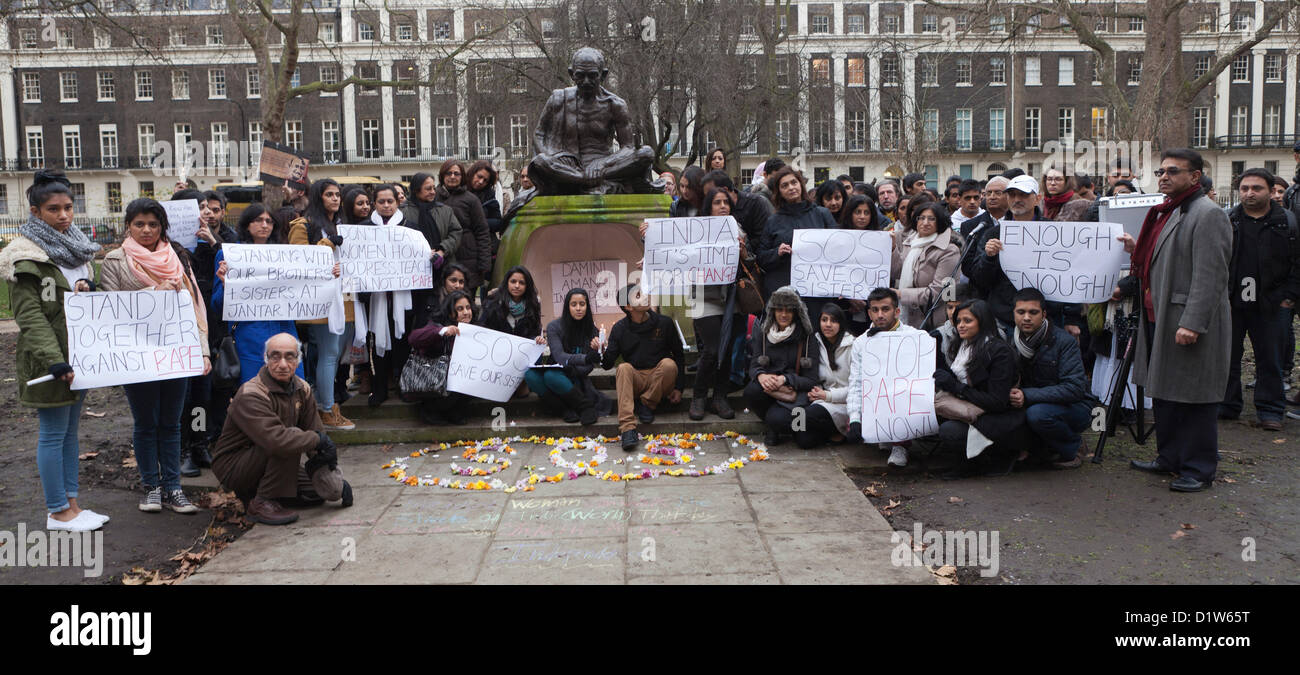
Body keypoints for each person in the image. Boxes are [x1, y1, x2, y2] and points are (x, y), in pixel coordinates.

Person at [0, 171, 108, 531]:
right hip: (51, 362)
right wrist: (55, 360)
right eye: (53, 209)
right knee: (52, 433)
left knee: (71, 433)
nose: (63, 215)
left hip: (80, 357)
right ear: (35, 212)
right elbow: (30, 316)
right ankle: (57, 510)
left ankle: (73, 504)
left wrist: (85, 286)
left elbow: (69, 297)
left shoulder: (75, 246)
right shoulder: (25, 257)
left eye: (67, 207)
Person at [1120, 148, 1232, 492]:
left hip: (1185, 320)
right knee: (1165, 393)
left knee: (1194, 396)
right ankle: (1169, 458)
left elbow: (1210, 276)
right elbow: (1168, 257)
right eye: (1161, 172)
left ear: (1195, 177)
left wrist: (1193, 323)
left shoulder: (1208, 214)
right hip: (1160, 317)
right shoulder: (1169, 211)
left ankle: (1198, 469)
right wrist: (1136, 248)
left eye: (1173, 171)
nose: (1164, 177)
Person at [99, 198, 212, 513]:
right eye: (139, 224)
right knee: (146, 423)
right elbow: (111, 308)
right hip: (137, 356)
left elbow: (193, 309)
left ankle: (174, 488)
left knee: (172, 423)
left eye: (153, 224)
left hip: (175, 352)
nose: (146, 230)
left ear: (162, 227)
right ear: (128, 226)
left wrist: (202, 353)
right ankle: (151, 487)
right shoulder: (115, 260)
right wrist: (153, 293)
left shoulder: (177, 257)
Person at [211, 333, 352, 525]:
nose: (283, 364)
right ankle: (261, 503)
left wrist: (330, 475)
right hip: (235, 466)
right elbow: (277, 440)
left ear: (298, 360)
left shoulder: (303, 389)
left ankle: (267, 493)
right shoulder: (251, 393)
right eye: (275, 356)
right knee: (291, 438)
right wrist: (317, 440)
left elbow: (317, 434)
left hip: (270, 458)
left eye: (289, 356)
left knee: (319, 492)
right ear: (266, 360)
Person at [1220, 169, 1300, 430]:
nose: (1250, 193)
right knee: (1228, 357)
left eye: (1257, 188)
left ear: (1270, 190)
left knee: (1270, 359)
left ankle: (1270, 410)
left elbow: (1297, 262)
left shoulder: (1286, 222)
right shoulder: (1229, 220)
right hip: (1233, 301)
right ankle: (1228, 405)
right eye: (1244, 188)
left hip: (1271, 302)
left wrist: (1289, 297)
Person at [967, 175, 1081, 335]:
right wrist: (989, 257)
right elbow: (981, 280)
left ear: (1037, 199)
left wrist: (1072, 319)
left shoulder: (1055, 232)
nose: (1017, 199)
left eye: (1023, 195)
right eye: (1012, 195)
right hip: (1004, 319)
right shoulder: (993, 234)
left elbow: (1070, 274)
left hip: (1048, 319)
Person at [287, 179, 355, 431]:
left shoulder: (343, 225)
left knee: (335, 355)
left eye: (338, 194)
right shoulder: (302, 225)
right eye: (329, 194)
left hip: (345, 299)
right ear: (318, 197)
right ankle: (326, 409)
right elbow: (299, 261)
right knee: (328, 354)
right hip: (319, 301)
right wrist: (329, 243)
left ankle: (324, 404)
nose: (335, 199)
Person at [931, 299, 1026, 479]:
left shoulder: (999, 352)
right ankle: (969, 460)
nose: (961, 326)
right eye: (958, 321)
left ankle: (992, 457)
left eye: (967, 321)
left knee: (949, 431)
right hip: (974, 408)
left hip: (1000, 417)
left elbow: (997, 401)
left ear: (982, 321)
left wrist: (955, 386)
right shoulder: (963, 345)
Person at [212, 205, 306, 385]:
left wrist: (327, 274)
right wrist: (226, 286)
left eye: (269, 221)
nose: (264, 225)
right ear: (247, 225)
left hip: (284, 328)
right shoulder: (229, 255)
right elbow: (216, 305)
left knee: (293, 387)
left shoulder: (286, 255)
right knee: (254, 391)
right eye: (258, 220)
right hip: (248, 335)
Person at [1007, 288, 1091, 469]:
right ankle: (1035, 449)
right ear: (1013, 313)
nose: (1027, 317)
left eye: (1033, 312)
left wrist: (1027, 395)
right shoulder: (1010, 340)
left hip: (1073, 407)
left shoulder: (1063, 342)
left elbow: (1075, 389)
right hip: (1031, 401)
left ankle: (1074, 447)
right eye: (1021, 312)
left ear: (1044, 314)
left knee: (1037, 415)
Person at [601, 284, 686, 450]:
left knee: (669, 364)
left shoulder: (664, 323)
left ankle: (647, 404)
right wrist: (600, 351)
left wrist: (679, 387)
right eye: (638, 295)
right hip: (636, 379)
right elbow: (607, 365)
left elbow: (679, 355)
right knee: (623, 368)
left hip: (660, 378)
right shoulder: (620, 329)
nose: (646, 296)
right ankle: (627, 429)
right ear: (628, 306)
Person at [843, 288, 920, 466]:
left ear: (897, 311)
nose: (880, 315)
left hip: (903, 397)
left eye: (885, 309)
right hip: (875, 397)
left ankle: (901, 444)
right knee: (852, 422)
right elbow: (856, 381)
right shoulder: (861, 342)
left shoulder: (915, 337)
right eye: (875, 310)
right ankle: (882, 433)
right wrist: (854, 418)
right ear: (869, 313)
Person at [684, 187, 742, 421]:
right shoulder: (693, 230)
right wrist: (647, 236)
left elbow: (749, 261)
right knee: (712, 348)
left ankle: (720, 397)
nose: (723, 206)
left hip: (730, 299)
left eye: (726, 202)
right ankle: (699, 397)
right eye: (717, 202)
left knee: (727, 348)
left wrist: (743, 250)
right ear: (708, 207)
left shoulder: (737, 229)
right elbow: (671, 249)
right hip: (700, 297)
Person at [744, 285, 822, 447]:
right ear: (773, 311)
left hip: (795, 391)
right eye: (779, 309)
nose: (784, 314)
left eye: (789, 310)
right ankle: (774, 426)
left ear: (796, 312)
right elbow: (753, 365)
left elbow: (812, 379)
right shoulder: (764, 334)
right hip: (770, 389)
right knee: (751, 391)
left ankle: (782, 425)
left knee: (802, 439)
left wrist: (785, 379)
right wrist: (761, 375)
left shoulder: (807, 338)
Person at [756, 166, 836, 315]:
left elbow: (838, 249)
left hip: (816, 291)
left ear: (801, 184)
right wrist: (777, 252)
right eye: (784, 185)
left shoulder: (822, 214)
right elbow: (761, 257)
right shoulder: (773, 221)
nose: (791, 187)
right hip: (784, 293)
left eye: (794, 182)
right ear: (779, 192)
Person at [525, 287, 612, 425]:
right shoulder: (554, 326)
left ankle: (585, 407)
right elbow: (559, 356)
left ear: (587, 307)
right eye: (574, 304)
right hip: (557, 371)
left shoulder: (592, 330)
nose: (578, 308)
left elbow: (589, 367)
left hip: (575, 378)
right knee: (531, 375)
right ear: (567, 306)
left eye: (582, 304)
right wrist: (585, 358)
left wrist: (598, 350)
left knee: (551, 376)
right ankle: (564, 409)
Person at [406, 290, 478, 425]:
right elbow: (414, 338)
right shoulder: (438, 326)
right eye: (460, 309)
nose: (466, 312)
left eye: (468, 308)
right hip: (434, 379)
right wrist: (442, 331)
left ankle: (454, 412)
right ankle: (430, 410)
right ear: (450, 312)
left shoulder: (475, 329)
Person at [401, 172, 462, 322]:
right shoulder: (403, 212)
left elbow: (456, 232)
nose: (433, 192)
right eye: (428, 189)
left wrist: (442, 250)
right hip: (412, 274)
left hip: (441, 269)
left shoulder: (444, 210)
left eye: (433, 188)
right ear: (416, 190)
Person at [891, 201, 961, 330]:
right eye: (921, 218)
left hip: (933, 320)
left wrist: (901, 294)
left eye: (931, 219)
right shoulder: (911, 242)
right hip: (908, 316)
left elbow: (941, 292)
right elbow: (897, 272)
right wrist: (893, 249)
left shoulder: (949, 250)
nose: (925, 222)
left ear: (939, 222)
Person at [798, 303, 855, 448]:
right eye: (824, 320)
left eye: (833, 321)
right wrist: (816, 391)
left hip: (847, 403)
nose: (828, 325)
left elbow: (857, 388)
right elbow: (814, 376)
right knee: (801, 438)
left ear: (841, 324)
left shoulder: (853, 346)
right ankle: (832, 433)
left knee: (807, 415)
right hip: (824, 399)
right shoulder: (816, 343)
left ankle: (840, 431)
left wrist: (827, 395)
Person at [437, 160, 493, 298]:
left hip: (468, 259)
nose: (452, 176)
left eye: (457, 173)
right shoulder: (433, 196)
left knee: (465, 304)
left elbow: (482, 231)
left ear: (462, 177)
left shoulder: (471, 200)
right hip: (440, 256)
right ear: (442, 175)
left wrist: (484, 263)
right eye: (449, 173)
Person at [702, 169, 773, 247]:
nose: (722, 206)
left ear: (725, 189)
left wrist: (743, 248)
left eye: (710, 193)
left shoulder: (756, 203)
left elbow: (764, 240)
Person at [481, 265, 546, 345]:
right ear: (507, 282)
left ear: (527, 286)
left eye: (521, 283)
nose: (517, 286)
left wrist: (536, 339)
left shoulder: (533, 304)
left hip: (522, 352)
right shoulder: (493, 301)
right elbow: (482, 328)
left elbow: (535, 332)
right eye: (513, 281)